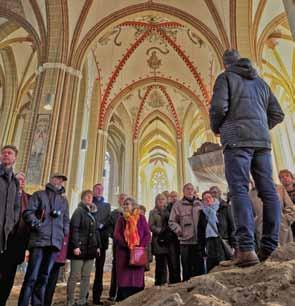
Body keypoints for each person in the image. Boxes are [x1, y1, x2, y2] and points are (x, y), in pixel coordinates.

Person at [209, 49, 285, 266]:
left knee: (239, 189)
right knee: (268, 190)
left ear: (226, 64)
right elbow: (278, 114)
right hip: (262, 142)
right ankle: (270, 247)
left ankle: (246, 249)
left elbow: (218, 107)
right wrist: (259, 127)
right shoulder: (261, 82)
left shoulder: (225, 78)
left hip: (236, 139)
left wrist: (218, 128)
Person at [18, 173, 70, 306]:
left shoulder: (64, 201)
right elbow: (28, 212)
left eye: (62, 180)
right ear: (51, 180)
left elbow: (66, 220)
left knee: (44, 278)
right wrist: (38, 225)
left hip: (54, 242)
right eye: (57, 178)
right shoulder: (39, 195)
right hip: (39, 239)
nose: (59, 182)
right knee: (32, 276)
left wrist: (64, 232)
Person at [67, 190, 101, 306]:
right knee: (74, 276)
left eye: (91, 196)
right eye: (87, 196)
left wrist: (97, 246)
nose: (89, 198)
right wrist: (75, 246)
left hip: (90, 250)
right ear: (82, 198)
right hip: (79, 249)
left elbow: (95, 232)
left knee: (86, 277)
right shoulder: (79, 211)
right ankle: (70, 301)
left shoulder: (92, 214)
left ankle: (82, 301)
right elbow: (74, 229)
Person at [114, 197, 151, 301]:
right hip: (124, 253)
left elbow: (147, 235)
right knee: (125, 277)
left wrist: (139, 247)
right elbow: (117, 235)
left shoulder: (141, 218)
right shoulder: (121, 219)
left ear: (134, 206)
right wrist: (128, 245)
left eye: (128, 204)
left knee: (137, 277)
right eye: (124, 204)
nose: (125, 206)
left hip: (138, 253)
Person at [169, 183, 205, 281]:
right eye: (187, 189)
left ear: (194, 191)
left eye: (191, 189)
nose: (190, 191)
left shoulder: (199, 204)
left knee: (199, 268)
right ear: (183, 191)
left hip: (198, 241)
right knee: (187, 268)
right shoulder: (178, 205)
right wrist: (179, 230)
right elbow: (172, 221)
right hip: (185, 242)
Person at [0, 145, 21, 306]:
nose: (6, 155)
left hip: (6, 236)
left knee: (5, 276)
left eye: (10, 153)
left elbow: (15, 207)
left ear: (15, 158)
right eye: (4, 152)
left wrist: (11, 223)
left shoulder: (15, 182)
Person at [92, 183, 111, 305]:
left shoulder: (107, 205)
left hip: (102, 241)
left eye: (101, 189)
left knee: (99, 270)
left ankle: (96, 297)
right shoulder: (88, 203)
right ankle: (84, 296)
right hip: (89, 241)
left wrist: (100, 225)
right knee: (86, 270)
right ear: (93, 190)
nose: (99, 191)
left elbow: (108, 220)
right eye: (97, 189)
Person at [200, 191, 227, 272]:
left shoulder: (222, 208)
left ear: (213, 198)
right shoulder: (202, 213)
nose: (207, 200)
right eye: (205, 199)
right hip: (209, 242)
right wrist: (201, 249)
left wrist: (234, 243)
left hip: (221, 240)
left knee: (222, 263)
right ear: (203, 201)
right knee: (210, 265)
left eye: (209, 197)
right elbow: (200, 232)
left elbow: (231, 225)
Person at [149, 193, 172, 286]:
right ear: (156, 201)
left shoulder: (169, 211)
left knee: (168, 262)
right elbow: (151, 225)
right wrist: (160, 231)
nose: (161, 201)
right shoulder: (152, 212)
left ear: (166, 200)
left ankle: (167, 281)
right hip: (158, 240)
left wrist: (167, 232)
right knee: (159, 262)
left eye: (162, 199)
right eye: (159, 199)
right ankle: (158, 282)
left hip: (168, 240)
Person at [108, 192, 127, 301]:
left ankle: (124, 292)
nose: (123, 201)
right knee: (116, 267)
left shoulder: (132, 213)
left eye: (125, 199)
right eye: (121, 199)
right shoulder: (114, 213)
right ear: (119, 201)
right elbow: (110, 228)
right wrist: (116, 237)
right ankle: (113, 293)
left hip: (129, 245)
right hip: (118, 244)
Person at [209, 186, 237, 251]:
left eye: (215, 192)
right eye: (211, 193)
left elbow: (232, 226)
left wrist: (234, 244)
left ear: (219, 193)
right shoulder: (208, 208)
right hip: (212, 242)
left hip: (224, 241)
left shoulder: (226, 207)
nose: (213, 195)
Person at [44, 234, 69, 306]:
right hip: (47, 249)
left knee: (52, 282)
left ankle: (47, 302)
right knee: (43, 279)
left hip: (59, 252)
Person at [166, 191, 181, 283]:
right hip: (171, 238)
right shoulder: (167, 208)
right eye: (172, 196)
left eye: (175, 196)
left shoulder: (181, 206)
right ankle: (174, 280)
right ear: (169, 198)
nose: (174, 198)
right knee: (173, 260)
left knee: (183, 259)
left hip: (181, 236)